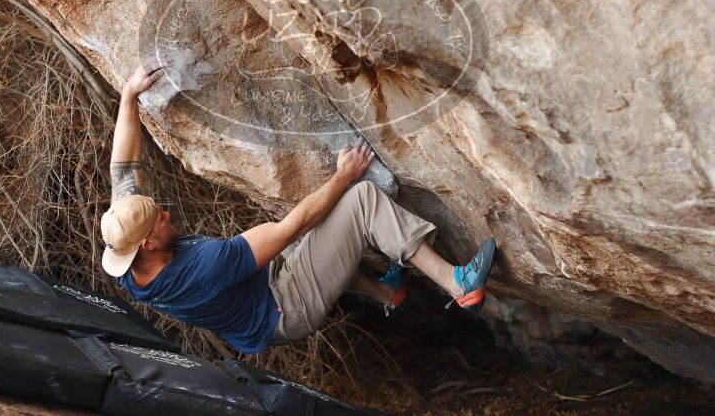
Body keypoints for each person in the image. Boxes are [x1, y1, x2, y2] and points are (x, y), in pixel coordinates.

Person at [101, 65, 497, 354]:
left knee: (321, 227)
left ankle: (386, 292)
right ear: (150, 243)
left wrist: (129, 96)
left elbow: (123, 166)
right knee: (358, 201)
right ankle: (457, 284)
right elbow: (291, 227)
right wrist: (344, 176)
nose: (167, 214)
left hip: (259, 294)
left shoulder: (128, 251)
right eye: (160, 219)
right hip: (284, 308)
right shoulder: (204, 265)